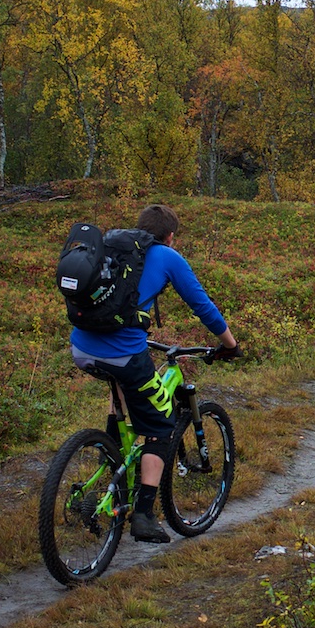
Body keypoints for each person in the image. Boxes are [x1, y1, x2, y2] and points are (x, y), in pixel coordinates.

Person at [67, 203, 238, 543]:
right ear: (170, 236)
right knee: (161, 425)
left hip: (81, 348)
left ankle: (111, 458)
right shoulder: (166, 256)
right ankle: (144, 514)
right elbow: (202, 305)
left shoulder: (113, 247)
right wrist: (230, 344)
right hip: (125, 354)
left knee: (121, 398)